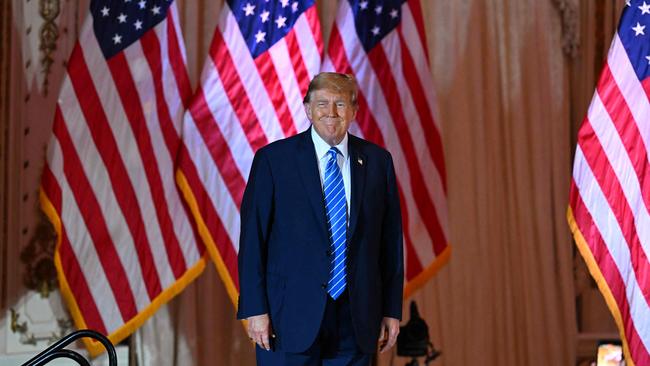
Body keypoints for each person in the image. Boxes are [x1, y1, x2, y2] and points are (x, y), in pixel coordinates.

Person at [237, 72, 404, 365]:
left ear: (354, 111)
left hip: (356, 319)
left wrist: (391, 309)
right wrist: (255, 309)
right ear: (307, 109)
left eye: (340, 104)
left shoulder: (378, 161)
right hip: (286, 318)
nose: (331, 112)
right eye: (322, 103)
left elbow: (389, 245)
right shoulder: (274, 160)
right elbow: (253, 241)